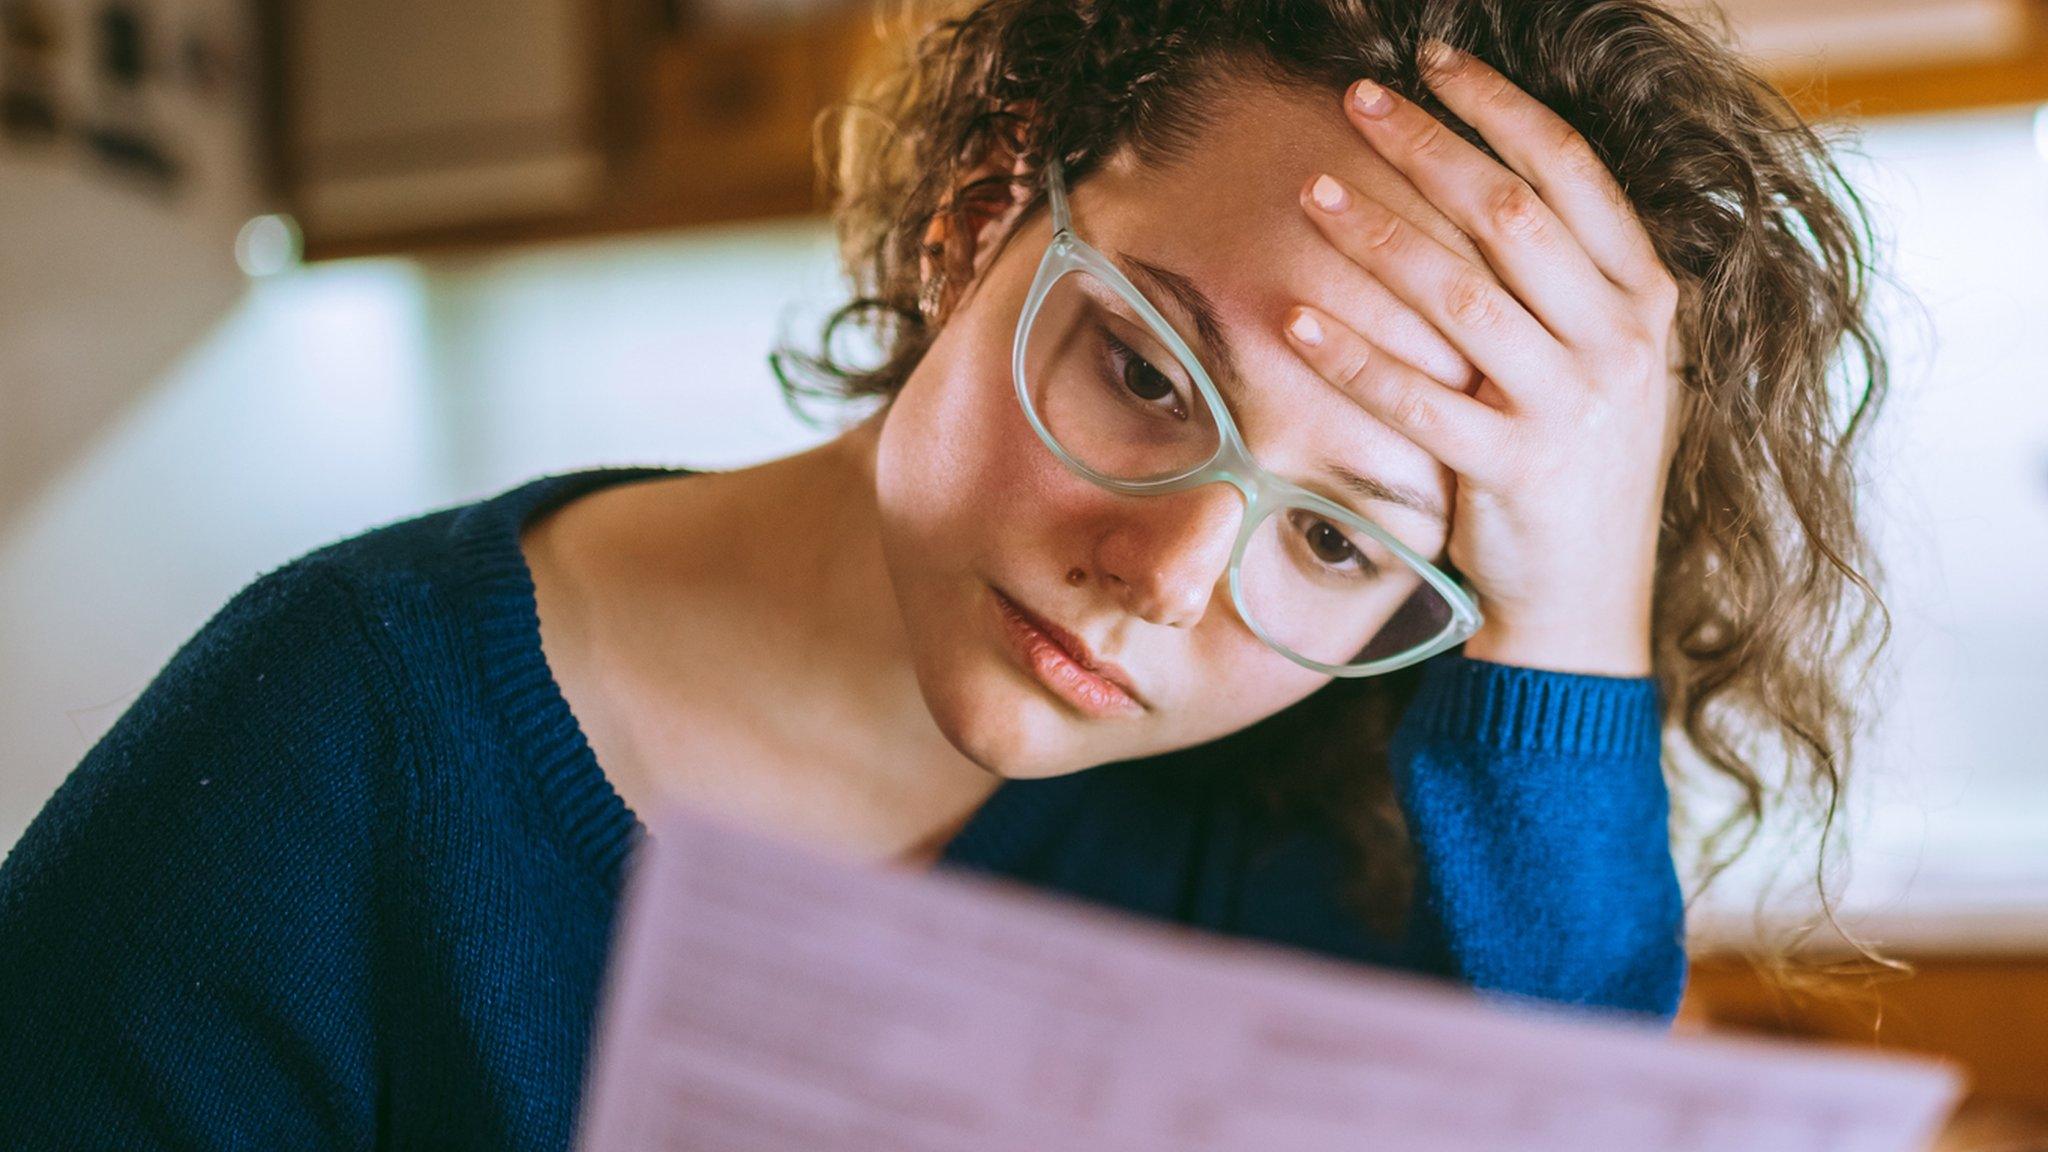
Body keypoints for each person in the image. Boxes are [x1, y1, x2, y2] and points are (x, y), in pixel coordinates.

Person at [0, 0, 1889, 1147]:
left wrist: (1566, 632)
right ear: (987, 209)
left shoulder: (1275, 848)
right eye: (1147, 373)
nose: (1162, 581)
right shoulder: (329, 743)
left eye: (1337, 539)